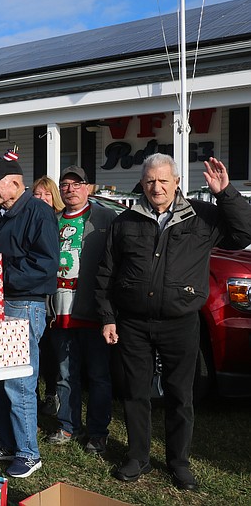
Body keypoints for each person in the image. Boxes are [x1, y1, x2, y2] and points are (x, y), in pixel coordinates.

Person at [96, 155, 251, 491]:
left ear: (177, 182)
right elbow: (107, 272)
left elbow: (243, 233)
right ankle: (137, 457)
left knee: (181, 396)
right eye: (151, 180)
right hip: (133, 323)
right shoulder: (126, 221)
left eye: (164, 180)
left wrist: (226, 193)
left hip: (180, 323)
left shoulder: (203, 216)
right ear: (143, 182)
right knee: (136, 393)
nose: (157, 187)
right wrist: (108, 317)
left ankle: (178, 462)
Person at [0, 158, 59, 478]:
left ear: (15, 182)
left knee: (19, 380)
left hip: (24, 305)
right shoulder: (2, 214)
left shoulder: (37, 212)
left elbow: (45, 265)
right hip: (0, 302)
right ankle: (8, 441)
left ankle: (28, 452)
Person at [46, 166, 116, 456]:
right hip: (60, 312)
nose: (71, 189)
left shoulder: (105, 219)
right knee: (64, 374)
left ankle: (98, 432)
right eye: (65, 184)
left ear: (88, 188)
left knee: (99, 375)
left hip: (92, 311)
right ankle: (67, 425)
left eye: (78, 183)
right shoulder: (52, 221)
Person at [32, 175, 65, 418]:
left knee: (53, 351)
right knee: (38, 350)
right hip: (35, 296)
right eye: (37, 194)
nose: (43, 199)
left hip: (57, 298)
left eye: (47, 194)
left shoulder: (61, 221)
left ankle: (52, 394)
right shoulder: (29, 219)